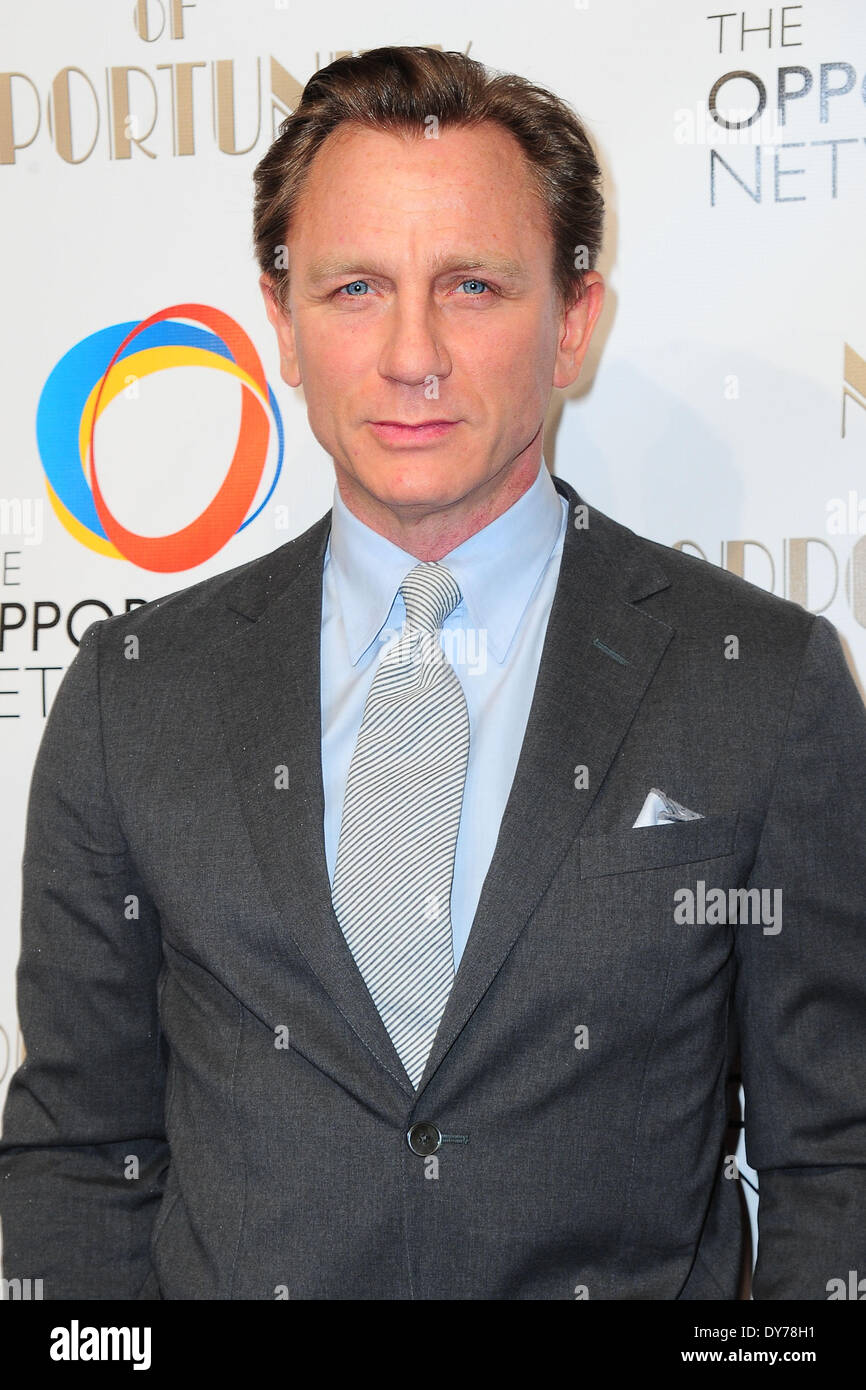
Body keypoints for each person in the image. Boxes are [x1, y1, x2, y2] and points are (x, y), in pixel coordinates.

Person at [1, 44, 865, 1301]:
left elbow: (832, 1159)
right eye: (354, 288)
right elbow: (80, 1153)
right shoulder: (134, 692)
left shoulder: (759, 683)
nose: (413, 354)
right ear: (282, 324)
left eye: (471, 285)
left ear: (570, 321)